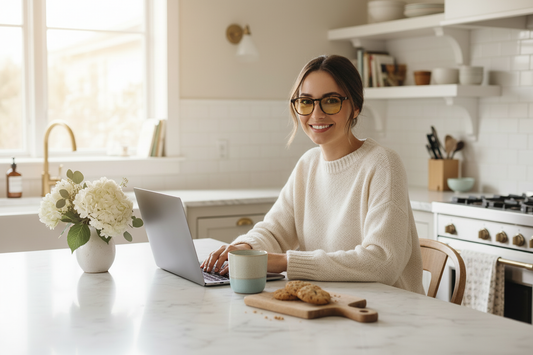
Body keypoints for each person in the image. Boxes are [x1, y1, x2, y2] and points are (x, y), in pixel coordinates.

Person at [201, 54, 424, 294]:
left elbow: (382, 262)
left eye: (330, 101)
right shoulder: (308, 164)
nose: (316, 114)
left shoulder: (382, 164)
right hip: (331, 303)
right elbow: (274, 230)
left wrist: (285, 262)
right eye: (306, 102)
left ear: (356, 106)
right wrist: (244, 247)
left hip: (388, 313)